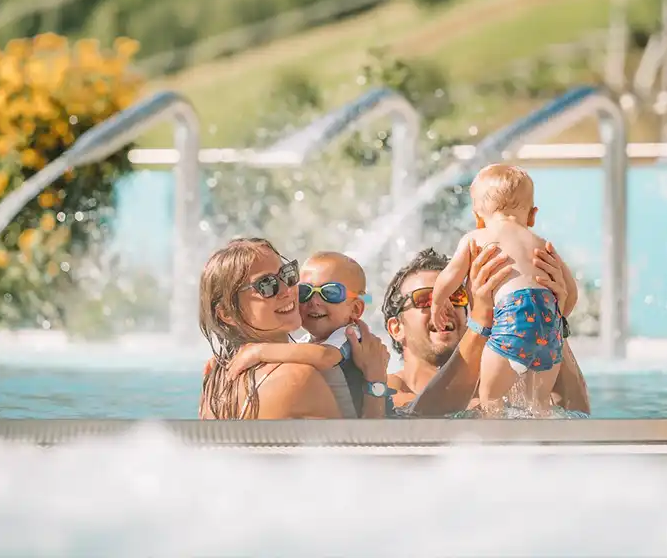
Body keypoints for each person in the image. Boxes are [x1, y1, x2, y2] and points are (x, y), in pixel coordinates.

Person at [429, 163, 574, 416]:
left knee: (491, 400)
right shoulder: (542, 244)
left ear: (477, 216)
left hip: (513, 319)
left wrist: (437, 303)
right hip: (549, 325)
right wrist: (556, 319)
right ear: (532, 215)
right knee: (539, 406)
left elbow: (450, 275)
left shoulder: (477, 238)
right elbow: (570, 292)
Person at [384, 244, 590, 418]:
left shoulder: (502, 380)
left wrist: (551, 318)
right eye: (426, 299)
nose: (445, 306)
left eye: (457, 297)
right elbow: (421, 419)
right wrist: (481, 320)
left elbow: (577, 415)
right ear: (396, 328)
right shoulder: (386, 389)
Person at [198, 237, 391, 420]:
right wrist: (376, 382)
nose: (288, 290)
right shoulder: (298, 379)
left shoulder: (214, 384)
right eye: (266, 285)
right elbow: (362, 451)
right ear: (227, 314)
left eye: (287, 275)